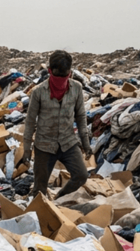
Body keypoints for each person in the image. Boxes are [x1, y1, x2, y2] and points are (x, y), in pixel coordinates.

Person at [23, 50, 92, 198]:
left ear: (70, 73)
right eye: (57, 76)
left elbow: (80, 116)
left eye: (64, 76)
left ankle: (58, 199)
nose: (61, 80)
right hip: (44, 145)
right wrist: (26, 149)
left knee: (81, 175)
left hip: (68, 142)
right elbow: (30, 122)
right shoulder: (39, 92)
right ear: (49, 71)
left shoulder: (77, 88)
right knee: (39, 190)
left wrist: (85, 144)